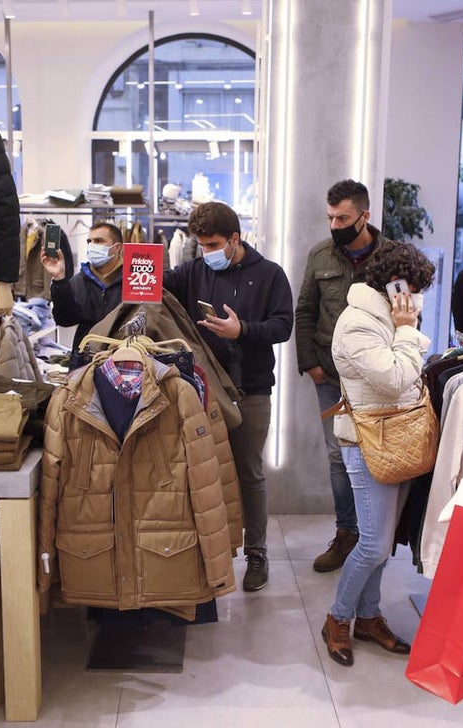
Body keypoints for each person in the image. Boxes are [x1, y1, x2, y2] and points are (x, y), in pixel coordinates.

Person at [164, 201, 293, 593]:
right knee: (200, 472)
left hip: (251, 389)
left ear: (235, 239)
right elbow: (155, 285)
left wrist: (243, 331)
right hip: (202, 391)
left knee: (249, 472)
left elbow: (283, 326)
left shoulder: (270, 274)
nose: (207, 252)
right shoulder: (194, 271)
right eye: (202, 245)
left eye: (214, 245)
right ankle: (205, 555)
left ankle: (257, 554)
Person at [321, 240, 434, 667]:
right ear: (395, 286)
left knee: (384, 545)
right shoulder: (358, 324)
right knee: (372, 545)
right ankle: (338, 618)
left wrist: (404, 328)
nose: (417, 300)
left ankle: (368, 617)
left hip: (397, 438)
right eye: (414, 290)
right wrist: (407, 329)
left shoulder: (386, 318)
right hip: (368, 442)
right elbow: (395, 377)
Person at [296, 179, 392, 574]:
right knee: (338, 455)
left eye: (343, 218)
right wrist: (310, 364)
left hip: (376, 377)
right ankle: (346, 533)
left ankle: (373, 538)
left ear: (364, 216)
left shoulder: (392, 257)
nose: (335, 225)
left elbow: (409, 314)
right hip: (330, 377)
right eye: (331, 218)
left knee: (374, 454)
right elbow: (305, 310)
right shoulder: (320, 255)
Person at [42, 222, 124, 366]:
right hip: (85, 362)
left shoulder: (133, 281)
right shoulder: (79, 281)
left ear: (117, 247)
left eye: (98, 241)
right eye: (89, 241)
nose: (92, 245)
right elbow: (65, 320)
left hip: (123, 360)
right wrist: (59, 280)